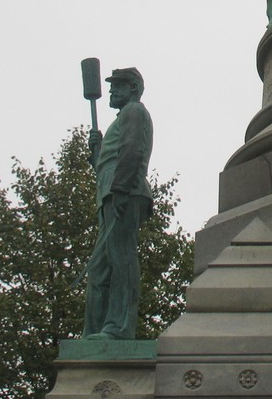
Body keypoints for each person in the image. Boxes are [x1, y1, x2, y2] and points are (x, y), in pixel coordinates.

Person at [84, 67, 154, 340]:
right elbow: (108, 163)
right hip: (110, 192)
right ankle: (95, 330)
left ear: (133, 88)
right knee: (99, 267)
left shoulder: (134, 112)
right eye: (112, 86)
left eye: (118, 85)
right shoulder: (123, 116)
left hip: (122, 192)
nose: (112, 90)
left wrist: (122, 190)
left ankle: (118, 328)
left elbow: (134, 150)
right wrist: (97, 153)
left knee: (120, 258)